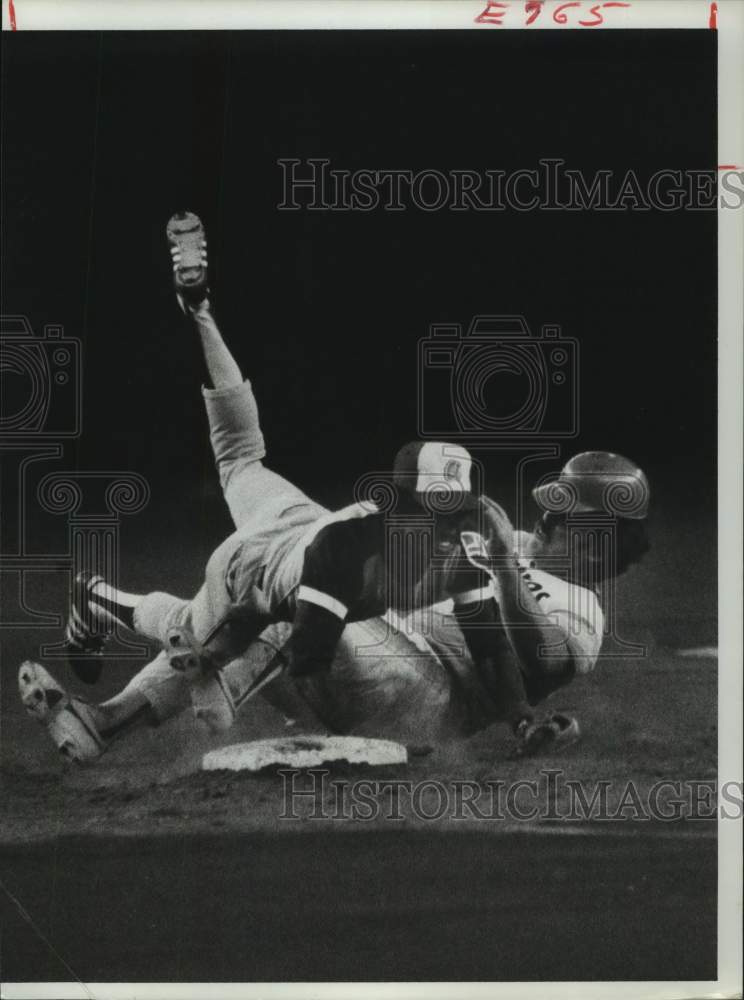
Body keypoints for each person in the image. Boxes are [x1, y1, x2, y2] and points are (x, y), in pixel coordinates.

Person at [19, 213, 650, 763]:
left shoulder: (585, 620)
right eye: (554, 504)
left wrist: (503, 572)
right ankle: (111, 708)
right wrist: (203, 319)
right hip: (367, 638)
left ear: (602, 542)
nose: (548, 517)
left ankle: (148, 630)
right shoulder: (487, 534)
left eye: (566, 513)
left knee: (307, 588)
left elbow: (536, 660)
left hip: (414, 699)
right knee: (253, 483)